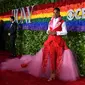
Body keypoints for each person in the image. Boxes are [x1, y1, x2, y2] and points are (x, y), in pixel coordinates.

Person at [0, 8, 79, 81]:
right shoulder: (50, 21)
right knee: (50, 57)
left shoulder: (63, 22)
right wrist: (48, 31)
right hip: (50, 41)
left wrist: (56, 32)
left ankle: (55, 74)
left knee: (58, 58)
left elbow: (65, 32)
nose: (54, 14)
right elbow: (47, 30)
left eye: (56, 12)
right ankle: (52, 74)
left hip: (58, 42)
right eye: (53, 12)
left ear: (59, 13)